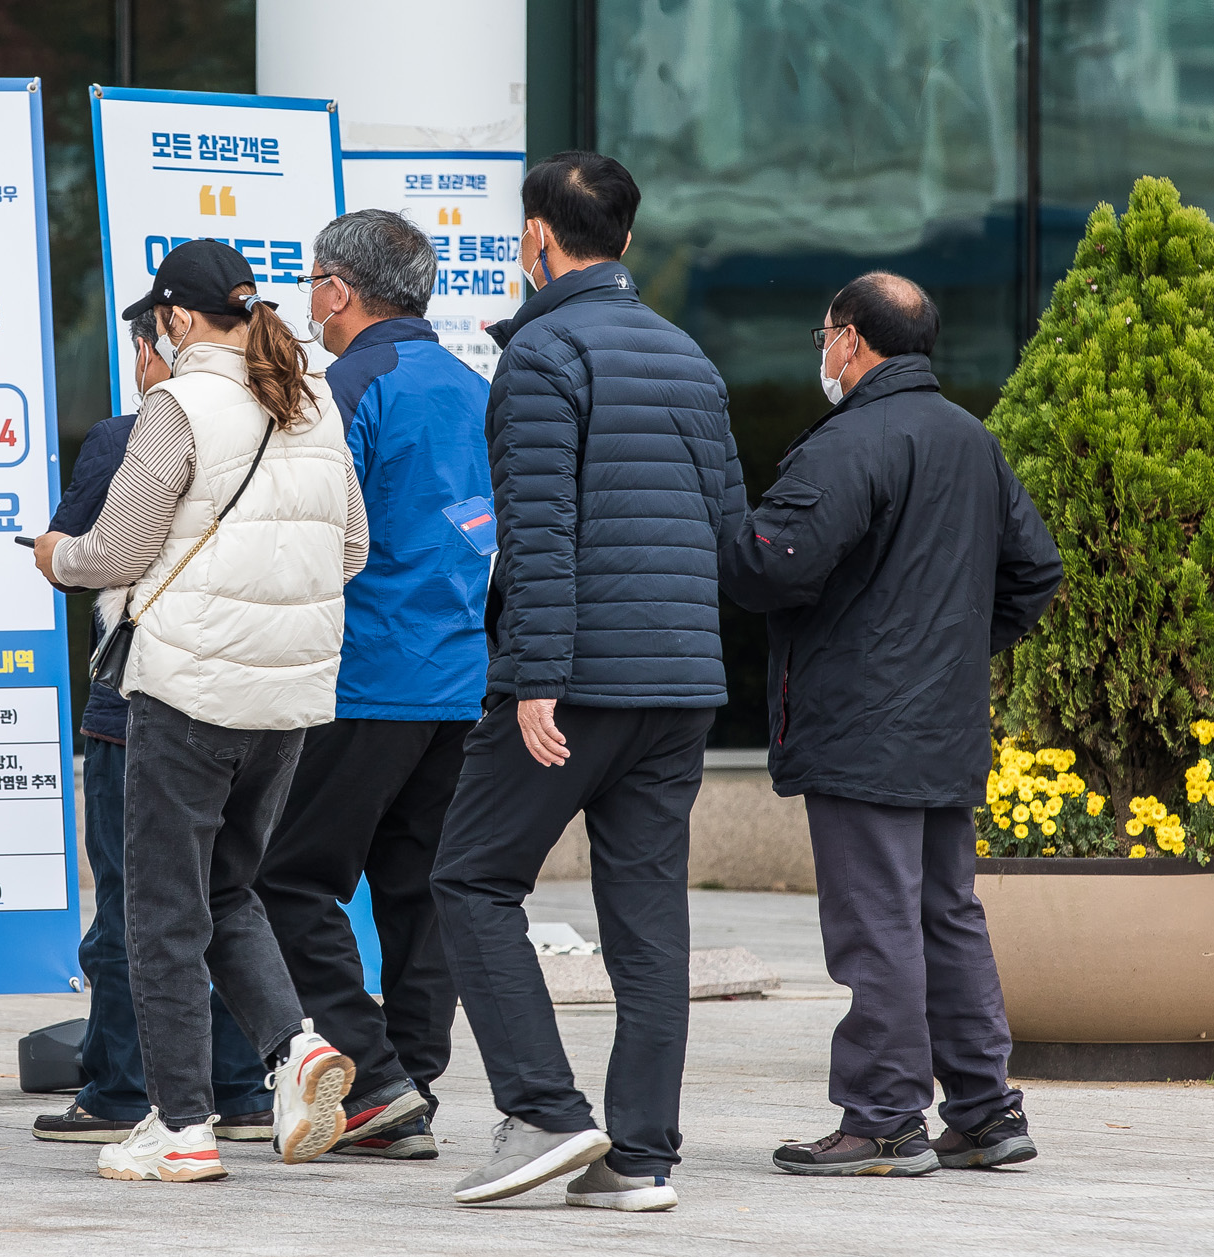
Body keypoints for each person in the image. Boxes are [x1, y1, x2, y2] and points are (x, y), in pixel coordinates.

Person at [429, 152, 746, 1211]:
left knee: (470, 878)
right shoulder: (687, 355)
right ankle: (639, 1158)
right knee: (648, 921)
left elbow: (539, 532)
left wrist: (534, 677)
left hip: (574, 682)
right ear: (626, 237)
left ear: (537, 237)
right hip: (679, 684)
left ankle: (544, 1112)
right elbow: (728, 533)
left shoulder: (542, 352)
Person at [31, 239, 371, 1182]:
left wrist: (57, 556)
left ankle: (181, 1123)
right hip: (288, 698)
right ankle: (295, 1049)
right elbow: (351, 548)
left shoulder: (176, 405)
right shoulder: (311, 400)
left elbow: (116, 550)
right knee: (226, 887)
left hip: (187, 692)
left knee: (162, 910)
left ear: (176, 318)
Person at [720, 272, 1061, 1177]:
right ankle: (985, 1111)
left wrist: (726, 522)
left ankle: (883, 1119)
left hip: (861, 728)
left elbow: (771, 565)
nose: (824, 351)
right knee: (946, 913)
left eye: (826, 334)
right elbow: (1036, 571)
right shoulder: (969, 437)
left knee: (878, 922)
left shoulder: (851, 441)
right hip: (942, 725)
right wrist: (954, 650)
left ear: (852, 340)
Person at [251, 209, 490, 1161]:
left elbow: (313, 534)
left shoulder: (344, 387)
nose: (309, 301)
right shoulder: (474, 385)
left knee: (286, 876)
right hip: (457, 677)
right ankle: (412, 1082)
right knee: (419, 890)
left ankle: (375, 1079)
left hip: (364, 675)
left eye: (312, 282)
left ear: (340, 290)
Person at [29, 305, 274, 1147]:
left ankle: (126, 1088)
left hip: (139, 707)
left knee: (137, 908)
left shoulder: (129, 436)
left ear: (151, 349)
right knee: (227, 897)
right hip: (252, 703)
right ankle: (241, 1086)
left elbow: (86, 554)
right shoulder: (285, 426)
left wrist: (54, 551)